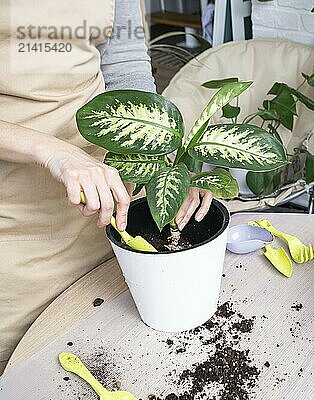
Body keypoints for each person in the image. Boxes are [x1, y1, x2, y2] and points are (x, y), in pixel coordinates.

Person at [0, 0, 213, 372]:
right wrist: (51, 151)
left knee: (120, 351)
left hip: (104, 198)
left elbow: (123, 62)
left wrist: (165, 168)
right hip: (16, 223)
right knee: (30, 370)